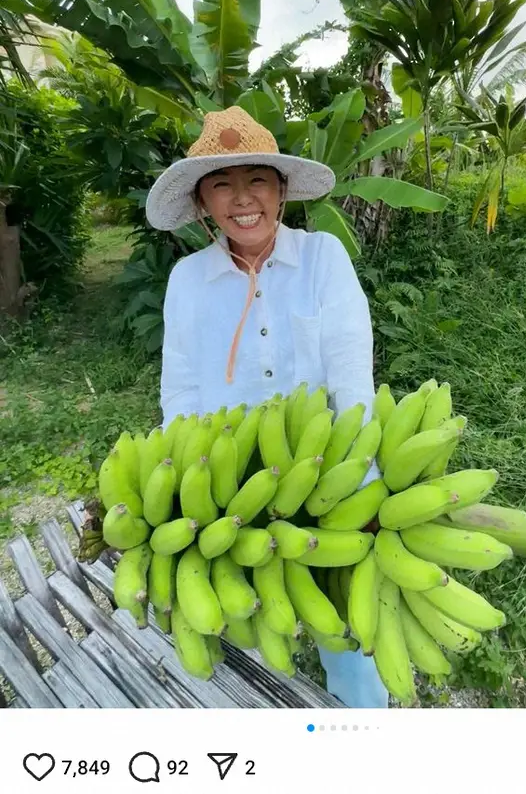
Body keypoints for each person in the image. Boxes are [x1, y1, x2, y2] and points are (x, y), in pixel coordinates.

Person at [145, 106, 389, 709]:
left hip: (330, 474)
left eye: (256, 179)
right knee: (250, 621)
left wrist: (363, 480)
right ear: (202, 203)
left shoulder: (323, 258)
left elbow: (352, 375)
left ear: (281, 191)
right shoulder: (186, 280)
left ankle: (365, 718)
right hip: (232, 485)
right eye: (221, 184)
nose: (241, 198)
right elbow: (180, 390)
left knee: (350, 632)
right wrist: (189, 487)